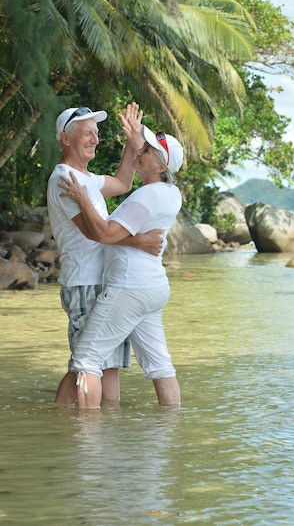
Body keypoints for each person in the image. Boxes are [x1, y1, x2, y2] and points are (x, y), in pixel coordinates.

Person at [58, 120, 184, 409]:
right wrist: (134, 143)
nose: (142, 149)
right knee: (160, 365)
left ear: (161, 166)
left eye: (148, 150)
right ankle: (169, 432)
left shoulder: (144, 196)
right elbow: (125, 224)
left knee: (88, 360)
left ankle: (88, 444)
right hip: (153, 288)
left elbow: (103, 234)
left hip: (130, 287)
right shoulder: (171, 194)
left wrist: (82, 198)